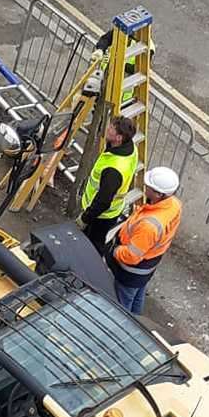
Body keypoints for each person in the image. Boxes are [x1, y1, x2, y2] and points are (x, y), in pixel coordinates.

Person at [107, 166, 181, 315]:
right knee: (137, 295)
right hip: (148, 264)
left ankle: (123, 328)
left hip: (131, 271)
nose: (145, 188)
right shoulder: (174, 205)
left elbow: (131, 256)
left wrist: (114, 250)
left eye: (148, 187)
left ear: (159, 194)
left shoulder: (149, 226)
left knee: (122, 305)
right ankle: (137, 319)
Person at [78, 116, 139, 253]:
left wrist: (85, 218)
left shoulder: (114, 170)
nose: (107, 129)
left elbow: (103, 201)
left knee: (91, 247)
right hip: (110, 212)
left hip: (100, 216)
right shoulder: (130, 149)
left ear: (119, 138)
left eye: (111, 129)